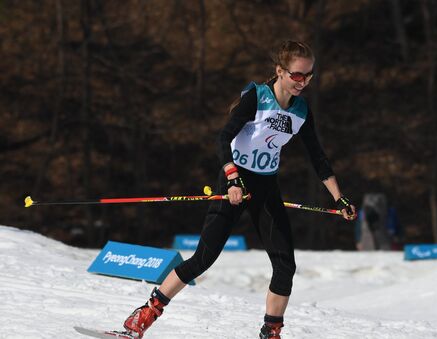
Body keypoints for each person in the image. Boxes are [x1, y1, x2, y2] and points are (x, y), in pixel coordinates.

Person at [120, 40, 357, 339]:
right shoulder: (257, 98)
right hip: (236, 180)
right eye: (297, 75)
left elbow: (317, 157)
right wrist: (232, 178)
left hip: (266, 186)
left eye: (308, 76)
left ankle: (271, 332)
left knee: (285, 265)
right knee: (203, 259)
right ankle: (145, 314)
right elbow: (223, 139)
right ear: (280, 71)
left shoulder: (301, 111)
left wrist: (339, 197)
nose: (303, 82)